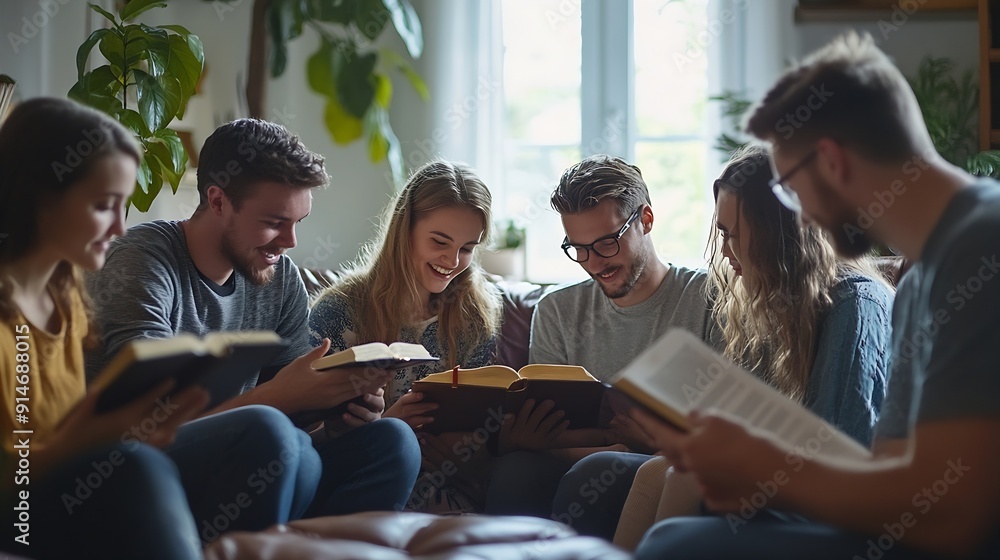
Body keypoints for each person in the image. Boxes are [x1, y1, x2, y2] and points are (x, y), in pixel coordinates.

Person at [632, 32, 1000, 560]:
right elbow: (889, 473)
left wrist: (764, 468)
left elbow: (956, 516)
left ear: (832, 160)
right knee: (677, 537)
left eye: (788, 188)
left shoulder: (981, 243)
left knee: (678, 546)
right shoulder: (921, 278)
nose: (798, 215)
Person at [84, 118, 420, 520]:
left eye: (298, 223)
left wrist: (335, 414)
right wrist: (280, 396)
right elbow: (149, 421)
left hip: (255, 465)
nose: (290, 242)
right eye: (274, 223)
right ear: (218, 200)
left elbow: (293, 422)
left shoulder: (281, 279)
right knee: (276, 436)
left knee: (390, 441)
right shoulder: (144, 260)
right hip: (137, 464)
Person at [0, 97, 277, 559]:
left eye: (122, 206)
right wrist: (91, 439)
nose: (119, 228)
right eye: (104, 206)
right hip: (18, 513)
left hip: (67, 491)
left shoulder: (64, 299)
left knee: (242, 444)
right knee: (134, 467)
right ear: (41, 198)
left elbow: (55, 433)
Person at [609, 143, 894, 548]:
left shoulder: (854, 304)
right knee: (654, 472)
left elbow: (845, 446)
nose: (725, 251)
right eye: (722, 234)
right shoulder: (779, 302)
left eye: (737, 236)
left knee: (678, 500)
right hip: (789, 477)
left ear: (783, 236)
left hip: (842, 500)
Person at [485, 154, 721, 518]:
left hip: (668, 465)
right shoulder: (556, 310)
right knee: (515, 471)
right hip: (579, 462)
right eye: (578, 249)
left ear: (646, 219)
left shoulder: (708, 298)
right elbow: (549, 433)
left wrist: (650, 443)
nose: (594, 263)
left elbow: (726, 427)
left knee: (594, 475)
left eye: (607, 243)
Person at [308, 160, 502, 512]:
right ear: (404, 230)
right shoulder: (340, 309)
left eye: (468, 248)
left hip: (451, 489)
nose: (453, 260)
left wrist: (476, 448)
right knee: (394, 439)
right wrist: (387, 424)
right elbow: (307, 433)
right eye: (440, 241)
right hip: (362, 479)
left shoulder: (474, 317)